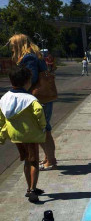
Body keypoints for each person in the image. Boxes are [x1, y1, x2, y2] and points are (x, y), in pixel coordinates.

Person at [8, 34, 57, 170]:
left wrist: (22, 92)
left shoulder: (28, 57)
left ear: (19, 44)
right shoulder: (34, 54)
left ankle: (51, 160)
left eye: (13, 45)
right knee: (44, 129)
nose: (11, 48)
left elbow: (32, 77)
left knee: (44, 129)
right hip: (43, 97)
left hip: (39, 97)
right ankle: (48, 158)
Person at [0, 67, 47, 203]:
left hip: (16, 136)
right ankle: (32, 190)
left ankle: (28, 187)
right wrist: (43, 126)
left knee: (26, 160)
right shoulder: (30, 99)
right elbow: (39, 112)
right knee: (34, 162)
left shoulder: (4, 98)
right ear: (27, 82)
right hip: (30, 135)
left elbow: (1, 119)